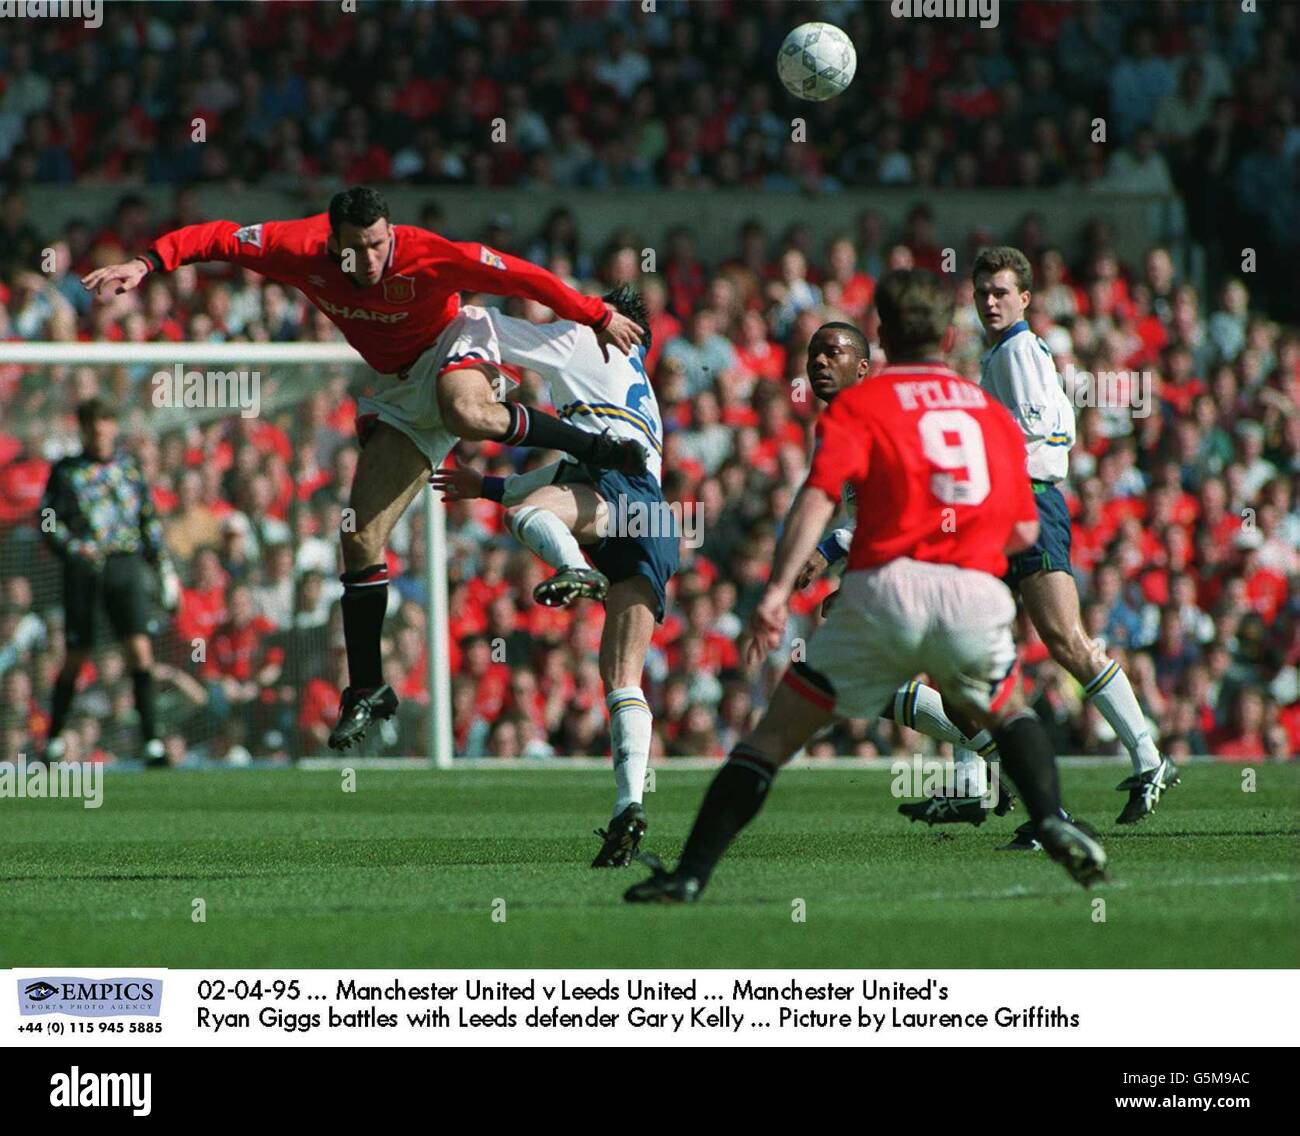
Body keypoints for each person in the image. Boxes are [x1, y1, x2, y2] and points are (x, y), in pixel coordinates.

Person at [82, 186, 647, 753]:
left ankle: (593, 448)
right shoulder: (298, 247)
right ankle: (368, 688)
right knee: (358, 537)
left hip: (456, 345)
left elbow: (521, 276)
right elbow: (219, 238)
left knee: (466, 409)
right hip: (401, 391)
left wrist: (595, 313)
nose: (372, 258)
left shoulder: (426, 253)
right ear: (334, 242)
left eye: (380, 244)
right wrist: (145, 263)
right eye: (359, 248)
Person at [624, 271, 1107, 904]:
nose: (821, 363)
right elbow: (1020, 524)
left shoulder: (862, 407)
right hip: (973, 589)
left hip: (887, 591)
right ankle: (1049, 816)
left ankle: (689, 876)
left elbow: (818, 496)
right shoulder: (985, 408)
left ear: (880, 336)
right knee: (1007, 710)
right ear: (942, 333)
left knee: (770, 739)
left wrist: (775, 590)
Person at [431, 286, 677, 867]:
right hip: (653, 516)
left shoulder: (584, 340)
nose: (575, 313)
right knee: (623, 679)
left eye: (590, 309)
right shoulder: (633, 383)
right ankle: (629, 805)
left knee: (531, 516)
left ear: (610, 321)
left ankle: (571, 568)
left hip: (616, 494)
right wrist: (484, 486)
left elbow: (491, 325)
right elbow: (566, 470)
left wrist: (439, 320)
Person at [972, 246, 1179, 839]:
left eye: (1000, 291)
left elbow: (1038, 427)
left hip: (1027, 504)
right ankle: (1010, 787)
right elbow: (1056, 423)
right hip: (1021, 504)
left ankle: (1144, 758)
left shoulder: (1014, 348)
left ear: (1025, 297)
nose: (990, 300)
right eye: (983, 291)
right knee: (982, 644)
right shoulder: (1021, 347)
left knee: (1063, 640)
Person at [40, 398, 180, 766]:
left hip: (125, 566)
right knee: (76, 653)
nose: (100, 431)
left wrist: (164, 568)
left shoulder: (129, 471)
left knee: (139, 650)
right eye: (92, 424)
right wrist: (75, 550)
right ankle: (54, 738)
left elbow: (148, 521)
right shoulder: (67, 472)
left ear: (114, 427)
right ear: (83, 430)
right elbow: (48, 521)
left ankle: (151, 740)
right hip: (84, 572)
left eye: (105, 422)